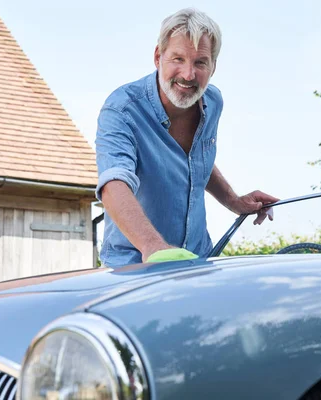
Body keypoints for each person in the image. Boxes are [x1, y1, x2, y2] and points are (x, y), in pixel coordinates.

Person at [95, 7, 278, 267]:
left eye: (200, 62)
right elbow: (114, 184)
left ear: (213, 66)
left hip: (197, 261)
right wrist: (154, 248)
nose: (188, 74)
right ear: (158, 57)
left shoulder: (213, 102)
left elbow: (196, 158)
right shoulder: (121, 109)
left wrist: (234, 201)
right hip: (134, 268)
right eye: (178, 59)